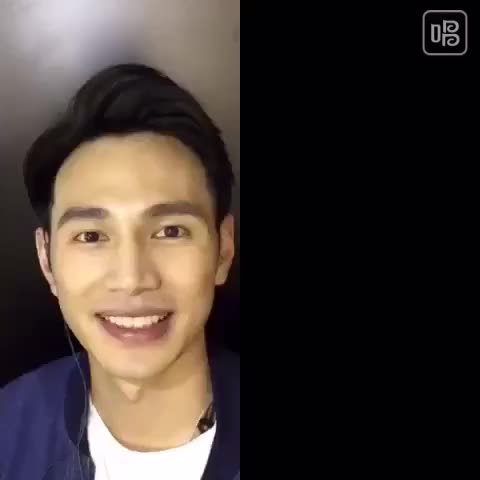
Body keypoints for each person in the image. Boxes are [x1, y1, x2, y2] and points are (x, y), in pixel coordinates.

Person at [0, 63, 239, 480]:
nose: (131, 278)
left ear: (224, 250)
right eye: (91, 236)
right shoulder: (10, 432)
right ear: (46, 259)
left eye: (170, 231)